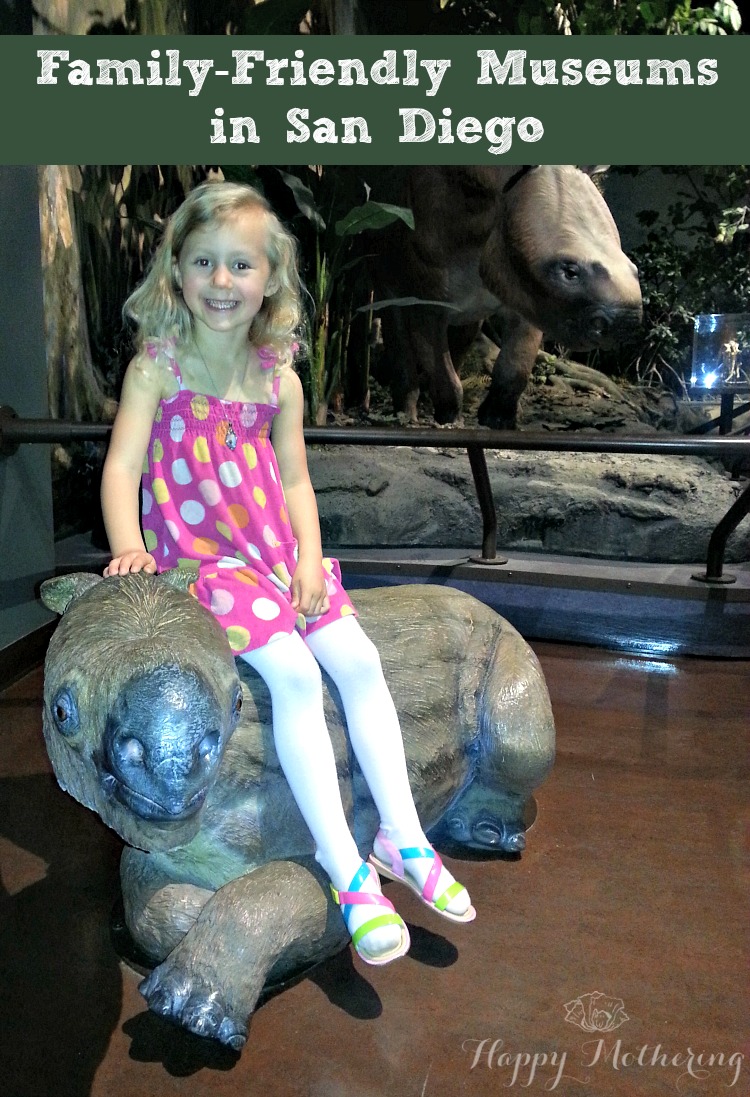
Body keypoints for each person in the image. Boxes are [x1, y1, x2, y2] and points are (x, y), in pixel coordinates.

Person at [100, 179, 475, 966]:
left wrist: (309, 556)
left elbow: (296, 480)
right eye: (204, 262)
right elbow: (123, 465)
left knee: (361, 659)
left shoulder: (279, 378)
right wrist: (129, 543)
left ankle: (403, 839)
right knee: (298, 678)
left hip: (275, 557)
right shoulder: (157, 369)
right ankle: (348, 871)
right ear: (177, 269)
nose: (222, 281)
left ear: (270, 276)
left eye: (242, 264)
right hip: (202, 564)